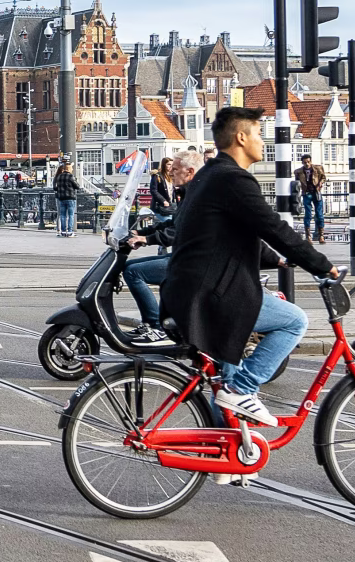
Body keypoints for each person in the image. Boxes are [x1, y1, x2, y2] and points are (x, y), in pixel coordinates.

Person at [160, 107, 337, 428]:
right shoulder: (233, 179)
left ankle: (226, 455)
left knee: (223, 387)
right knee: (294, 321)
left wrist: (279, 259)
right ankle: (244, 387)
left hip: (187, 290)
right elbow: (272, 226)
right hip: (211, 295)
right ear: (241, 137)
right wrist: (322, 266)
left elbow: (238, 234)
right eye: (257, 133)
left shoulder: (210, 175)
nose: (262, 141)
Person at [121, 151, 202, 342]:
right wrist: (143, 232)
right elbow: (172, 224)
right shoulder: (188, 193)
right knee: (128, 267)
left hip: (191, 263)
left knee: (134, 273)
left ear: (189, 172)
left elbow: (178, 232)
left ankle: (156, 327)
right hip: (183, 256)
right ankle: (150, 324)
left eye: (174, 169)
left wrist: (147, 240)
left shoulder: (197, 197)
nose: (170, 173)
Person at [294, 154, 327, 243]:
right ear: (302, 162)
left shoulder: (318, 168)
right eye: (305, 162)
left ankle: (321, 235)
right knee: (308, 215)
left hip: (316, 192)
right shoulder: (298, 172)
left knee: (319, 214)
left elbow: (323, 177)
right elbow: (297, 182)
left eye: (308, 162)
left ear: (311, 161)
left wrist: (320, 183)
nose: (307, 164)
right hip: (306, 193)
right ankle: (308, 236)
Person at [54, 158, 80, 237]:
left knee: (63, 215)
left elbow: (56, 187)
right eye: (71, 168)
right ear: (69, 169)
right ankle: (70, 231)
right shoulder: (71, 176)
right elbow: (77, 186)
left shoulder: (59, 177)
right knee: (71, 215)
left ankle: (63, 231)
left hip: (61, 198)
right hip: (70, 198)